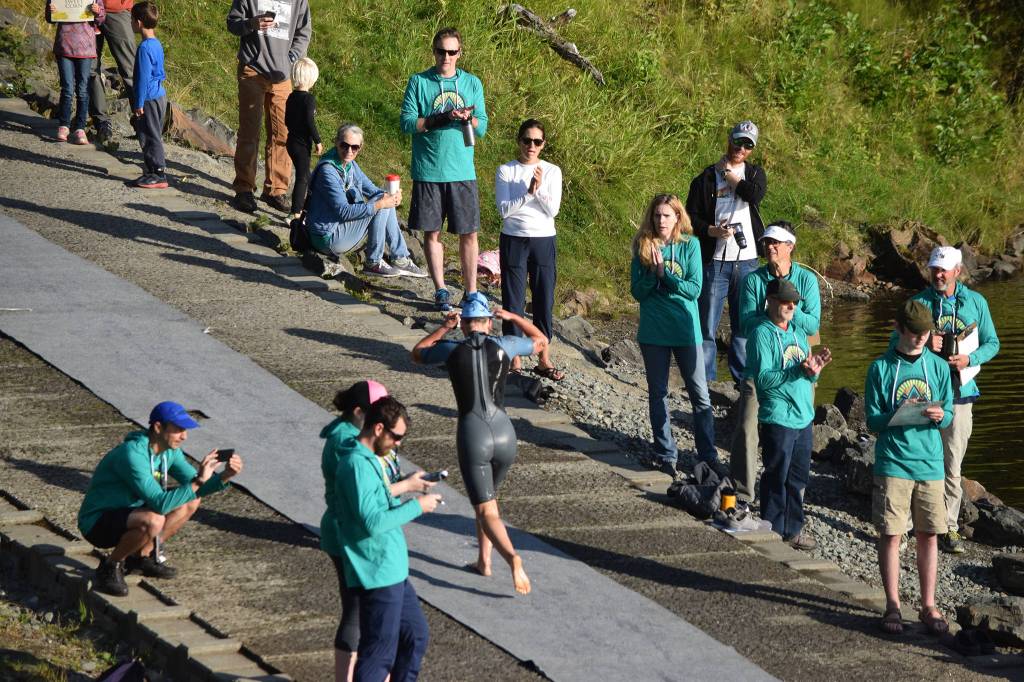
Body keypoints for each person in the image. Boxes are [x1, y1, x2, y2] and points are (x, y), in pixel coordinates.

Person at [411, 298, 544, 594]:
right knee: (488, 501)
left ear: (466, 323)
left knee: (487, 510)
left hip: (474, 434)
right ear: (487, 322)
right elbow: (541, 340)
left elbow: (418, 353)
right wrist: (513, 316)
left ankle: (512, 558)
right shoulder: (506, 344)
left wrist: (443, 328)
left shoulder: (451, 348)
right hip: (506, 433)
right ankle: (484, 561)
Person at [319, 381, 436, 681]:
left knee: (415, 636)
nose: (399, 444)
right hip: (376, 569)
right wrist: (417, 506)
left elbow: (379, 501)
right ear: (379, 429)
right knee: (379, 653)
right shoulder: (356, 465)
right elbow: (372, 522)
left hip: (392, 568)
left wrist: (408, 487)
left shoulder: (370, 462)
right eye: (397, 437)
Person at [77, 401, 243, 596]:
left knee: (191, 500)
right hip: (98, 522)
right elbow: (160, 504)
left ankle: (140, 556)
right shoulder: (132, 454)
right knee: (154, 520)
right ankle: (110, 566)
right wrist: (199, 480)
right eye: (179, 429)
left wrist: (225, 476)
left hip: (132, 514)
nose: (184, 436)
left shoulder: (170, 452)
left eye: (186, 430)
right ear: (158, 427)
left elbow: (195, 489)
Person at [866, 300, 953, 636]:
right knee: (891, 534)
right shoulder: (881, 368)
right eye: (914, 331)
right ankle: (892, 604)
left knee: (929, 535)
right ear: (899, 328)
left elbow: (948, 414)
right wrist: (897, 414)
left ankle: (928, 605)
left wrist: (939, 415)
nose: (920, 338)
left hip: (930, 464)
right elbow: (872, 421)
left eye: (926, 332)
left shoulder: (939, 368)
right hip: (893, 463)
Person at [908, 246, 999, 554]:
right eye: (934, 268)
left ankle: (948, 527)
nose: (938, 274)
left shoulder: (976, 302)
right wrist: (923, 341)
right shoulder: (917, 303)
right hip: (923, 391)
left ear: (958, 271)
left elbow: (993, 343)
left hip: (961, 394)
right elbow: (896, 340)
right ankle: (914, 521)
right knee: (918, 456)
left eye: (944, 269)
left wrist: (970, 358)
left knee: (952, 462)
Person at [731, 222, 820, 510]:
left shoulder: (807, 280)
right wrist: (784, 311)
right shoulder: (753, 280)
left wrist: (779, 308)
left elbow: (813, 325)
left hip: (799, 367)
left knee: (798, 430)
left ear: (790, 247)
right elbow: (745, 323)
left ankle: (793, 500)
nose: (770, 247)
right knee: (747, 428)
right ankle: (743, 493)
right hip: (760, 366)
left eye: (776, 243)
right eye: (767, 242)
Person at [400, 27, 488, 311]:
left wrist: (467, 117)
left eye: (452, 52)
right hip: (429, 170)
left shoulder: (472, 82)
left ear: (460, 53)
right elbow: (406, 123)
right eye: (441, 51)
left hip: (462, 170)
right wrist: (440, 118)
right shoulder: (419, 82)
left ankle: (471, 291)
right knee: (432, 232)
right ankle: (440, 289)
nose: (446, 57)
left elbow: (483, 126)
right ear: (434, 51)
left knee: (469, 233)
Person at [629, 194, 716, 477]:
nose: (661, 220)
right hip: (654, 331)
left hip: (686, 330)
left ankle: (707, 454)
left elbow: (694, 289)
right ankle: (666, 453)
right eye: (657, 215)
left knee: (699, 394)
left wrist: (665, 275)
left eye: (667, 215)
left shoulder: (691, 246)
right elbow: (637, 292)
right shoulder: (643, 245)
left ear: (678, 217)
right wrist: (653, 275)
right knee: (658, 393)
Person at [747, 279, 831, 550]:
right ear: (770, 300)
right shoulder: (762, 333)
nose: (791, 305)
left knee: (798, 478)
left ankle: (793, 530)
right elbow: (763, 380)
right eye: (785, 300)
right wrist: (797, 371)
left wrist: (815, 367)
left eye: (793, 301)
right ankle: (771, 529)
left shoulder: (797, 333)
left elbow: (806, 374)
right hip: (778, 417)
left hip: (803, 417)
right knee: (776, 475)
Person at [685, 120, 767, 384]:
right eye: (737, 141)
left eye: (747, 145)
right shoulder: (706, 178)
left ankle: (742, 384)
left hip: (747, 262)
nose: (740, 148)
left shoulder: (754, 175)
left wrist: (731, 176)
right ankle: (705, 382)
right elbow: (690, 217)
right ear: (728, 139)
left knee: (743, 325)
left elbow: (754, 196)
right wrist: (712, 231)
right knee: (707, 326)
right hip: (715, 262)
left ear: (752, 150)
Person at [306, 123, 427, 278]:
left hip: (339, 229)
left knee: (383, 198)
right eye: (344, 145)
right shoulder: (328, 171)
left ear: (360, 147)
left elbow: (373, 190)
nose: (349, 151)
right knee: (381, 203)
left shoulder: (350, 165)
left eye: (354, 147)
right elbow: (344, 212)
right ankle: (375, 262)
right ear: (336, 142)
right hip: (326, 237)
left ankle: (400, 258)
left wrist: (393, 197)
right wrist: (381, 203)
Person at [226, 0, 311, 213]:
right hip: (252, 69)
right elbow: (232, 23)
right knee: (249, 131)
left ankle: (276, 190)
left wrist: (290, 60)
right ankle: (244, 189)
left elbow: (303, 32)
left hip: (282, 75)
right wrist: (251, 24)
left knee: (283, 133)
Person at [495, 118, 564, 380]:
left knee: (543, 297)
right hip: (514, 237)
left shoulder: (552, 171)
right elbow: (504, 210)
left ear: (543, 144)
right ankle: (514, 358)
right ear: (519, 141)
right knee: (513, 298)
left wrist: (538, 190)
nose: (531, 146)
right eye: (527, 140)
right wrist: (527, 192)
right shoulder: (506, 170)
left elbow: (553, 210)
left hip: (543, 238)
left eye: (537, 141)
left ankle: (544, 358)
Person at [47, 0, 106, 145]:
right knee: (67, 88)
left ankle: (80, 128)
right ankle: (64, 126)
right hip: (64, 46)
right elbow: (49, 18)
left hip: (85, 48)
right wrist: (51, 11)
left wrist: (98, 10)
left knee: (83, 90)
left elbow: (102, 18)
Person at [127, 1, 168, 189]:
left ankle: (157, 173)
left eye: (131, 20)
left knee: (149, 135)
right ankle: (153, 170)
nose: (131, 23)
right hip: (159, 95)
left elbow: (142, 78)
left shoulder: (144, 48)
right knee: (153, 132)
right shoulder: (156, 43)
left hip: (149, 98)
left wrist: (138, 102)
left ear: (139, 22)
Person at [87, 0, 137, 142]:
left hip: (117, 11)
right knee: (90, 69)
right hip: (85, 10)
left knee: (130, 69)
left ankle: (144, 123)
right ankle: (101, 122)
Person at [285, 56, 323, 220]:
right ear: (311, 79)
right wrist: (318, 140)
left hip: (291, 141)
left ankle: (300, 209)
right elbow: (309, 120)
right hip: (302, 145)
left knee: (304, 175)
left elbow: (286, 119)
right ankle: (295, 213)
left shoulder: (291, 97)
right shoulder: (309, 99)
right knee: (302, 178)